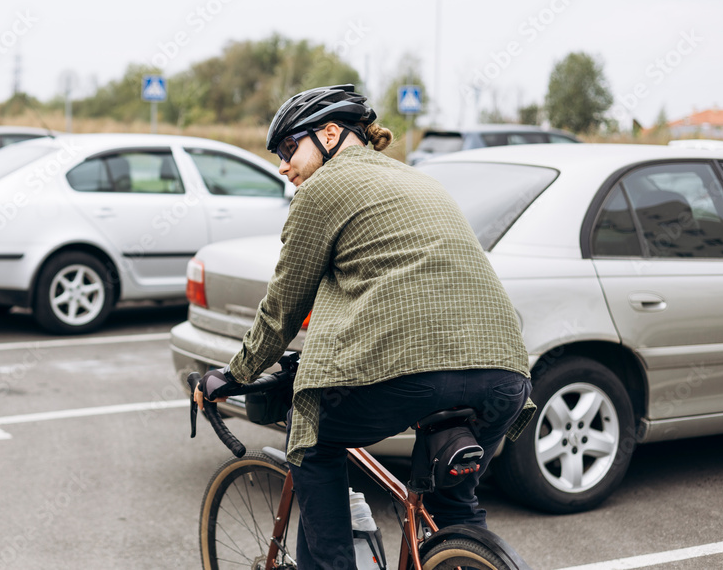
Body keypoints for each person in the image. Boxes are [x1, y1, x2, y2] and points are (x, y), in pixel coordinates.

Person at [195, 84, 533, 570]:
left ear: (331, 134)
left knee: (310, 439)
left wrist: (236, 373)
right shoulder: (421, 181)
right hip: (504, 374)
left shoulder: (322, 190)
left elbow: (283, 307)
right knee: (454, 504)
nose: (283, 165)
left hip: (409, 373)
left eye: (290, 148)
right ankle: (465, 553)